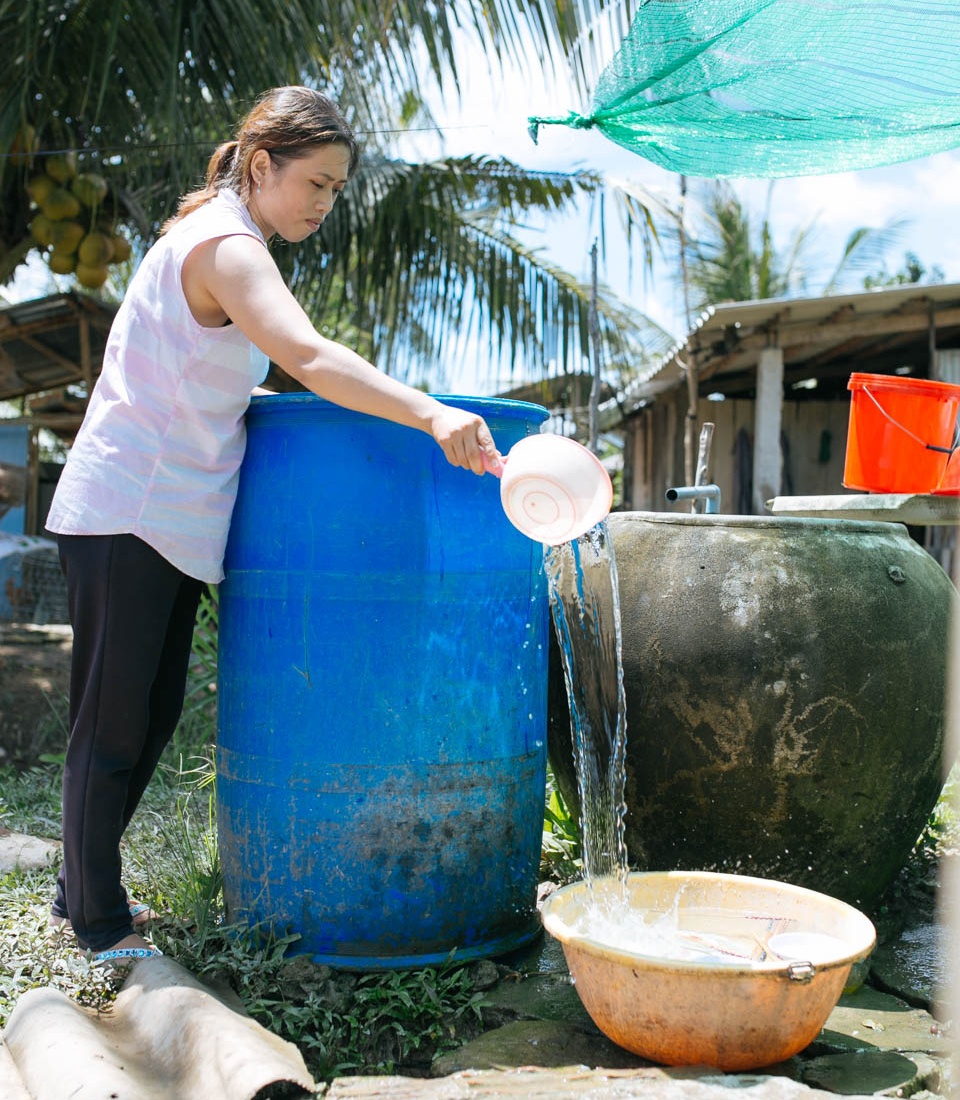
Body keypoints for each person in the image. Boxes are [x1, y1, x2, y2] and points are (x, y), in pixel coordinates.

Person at [44, 85, 502, 966]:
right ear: (261, 166)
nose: (324, 205)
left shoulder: (232, 241)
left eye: (336, 190)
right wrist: (431, 413)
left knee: (149, 712)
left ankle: (83, 884)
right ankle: (95, 919)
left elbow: (223, 371)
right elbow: (309, 357)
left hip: (169, 518)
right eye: (316, 183)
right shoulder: (227, 246)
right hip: (128, 508)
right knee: (110, 724)